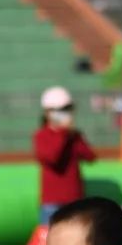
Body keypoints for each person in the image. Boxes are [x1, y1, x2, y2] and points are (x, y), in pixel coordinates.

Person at [34, 86, 97, 227]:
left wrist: (75, 136)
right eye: (61, 110)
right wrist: (62, 133)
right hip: (52, 202)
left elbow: (90, 156)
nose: (66, 114)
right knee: (50, 238)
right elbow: (52, 157)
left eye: (68, 109)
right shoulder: (42, 135)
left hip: (74, 199)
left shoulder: (73, 136)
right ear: (48, 112)